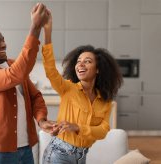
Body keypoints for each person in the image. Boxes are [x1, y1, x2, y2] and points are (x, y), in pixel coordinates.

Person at [0, 3, 58, 164]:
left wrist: (42, 120)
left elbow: (35, 96)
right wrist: (35, 27)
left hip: (25, 150)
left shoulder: (12, 64)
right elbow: (16, 74)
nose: (3, 44)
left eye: (3, 40)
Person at [40, 9, 123, 164]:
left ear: (98, 69)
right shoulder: (68, 89)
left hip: (81, 156)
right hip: (59, 153)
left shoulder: (104, 100)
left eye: (87, 61)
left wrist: (78, 127)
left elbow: (103, 131)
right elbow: (50, 69)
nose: (81, 64)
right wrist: (47, 31)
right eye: (78, 61)